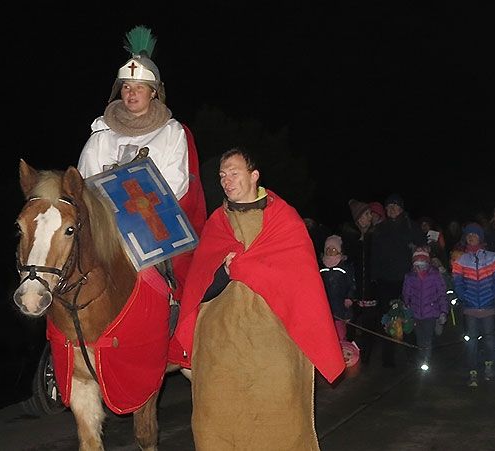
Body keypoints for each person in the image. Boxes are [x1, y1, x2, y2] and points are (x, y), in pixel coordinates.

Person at [174, 148, 344, 450]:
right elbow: (201, 290)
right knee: (215, 416)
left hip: (272, 336)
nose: (227, 181)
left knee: (279, 416)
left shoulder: (284, 221)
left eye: (234, 172)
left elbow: (301, 285)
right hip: (221, 340)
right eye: (222, 176)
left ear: (254, 176)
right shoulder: (217, 223)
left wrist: (249, 267)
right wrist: (225, 273)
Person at [76, 26, 207, 348]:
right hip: (105, 226)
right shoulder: (101, 134)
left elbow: (176, 184)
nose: (131, 93)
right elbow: (84, 182)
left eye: (140, 87)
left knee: (165, 271)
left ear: (154, 93)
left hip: (151, 224)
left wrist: (132, 208)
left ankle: (172, 325)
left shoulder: (171, 132)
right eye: (127, 87)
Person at [371, 193, 427, 367]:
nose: (391, 209)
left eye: (395, 205)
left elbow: (422, 251)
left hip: (408, 281)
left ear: (401, 208)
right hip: (385, 282)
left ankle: (412, 355)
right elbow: (374, 256)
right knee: (387, 320)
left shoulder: (412, 227)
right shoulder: (380, 229)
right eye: (388, 206)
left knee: (408, 318)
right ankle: (388, 359)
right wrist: (374, 278)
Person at [452, 223, 495, 387]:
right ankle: (472, 372)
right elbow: (457, 282)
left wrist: (493, 295)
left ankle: (489, 366)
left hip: (488, 306)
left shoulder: (493, 257)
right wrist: (464, 296)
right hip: (470, 306)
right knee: (471, 342)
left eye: (474, 234)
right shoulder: (461, 260)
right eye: (468, 235)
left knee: (489, 340)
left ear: (480, 237)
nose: (471, 237)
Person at [339, 199, 379, 364]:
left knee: (370, 326)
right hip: (354, 291)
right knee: (351, 325)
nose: (368, 218)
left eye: (369, 214)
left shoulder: (376, 237)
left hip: (371, 288)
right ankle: (348, 356)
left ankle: (366, 359)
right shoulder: (349, 239)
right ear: (357, 219)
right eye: (365, 215)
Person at [401, 247, 448, 370]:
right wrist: (406, 305)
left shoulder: (435, 276)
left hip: (431, 313)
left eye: (422, 264)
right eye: (417, 264)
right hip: (416, 313)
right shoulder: (410, 277)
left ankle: (425, 360)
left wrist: (443, 311)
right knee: (419, 338)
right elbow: (406, 294)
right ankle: (423, 358)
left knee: (427, 338)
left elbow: (442, 294)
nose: (420, 268)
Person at [319, 234, 356, 341]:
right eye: (328, 249)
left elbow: (351, 284)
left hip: (341, 307)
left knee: (340, 333)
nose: (330, 251)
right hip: (325, 307)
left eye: (334, 249)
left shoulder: (345, 267)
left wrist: (349, 297)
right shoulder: (321, 267)